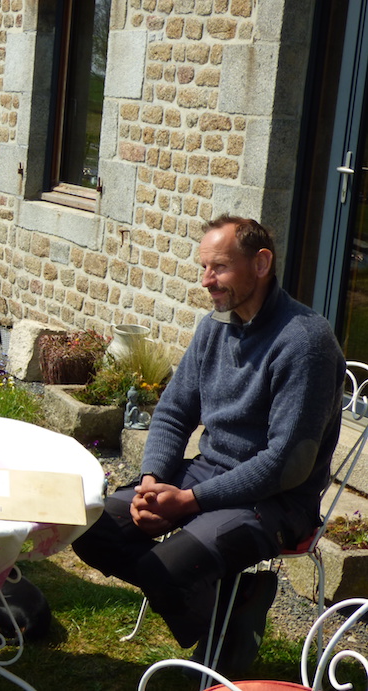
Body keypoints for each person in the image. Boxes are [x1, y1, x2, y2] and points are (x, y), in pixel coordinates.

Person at [72, 215, 346, 674]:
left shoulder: (305, 342)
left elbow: (286, 464)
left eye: (218, 267)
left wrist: (189, 501)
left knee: (168, 567)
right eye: (203, 268)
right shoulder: (215, 326)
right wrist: (152, 481)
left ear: (261, 264)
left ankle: (213, 631)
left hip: (277, 500)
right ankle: (231, 611)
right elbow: (175, 410)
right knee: (89, 526)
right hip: (207, 475)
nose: (206, 281)